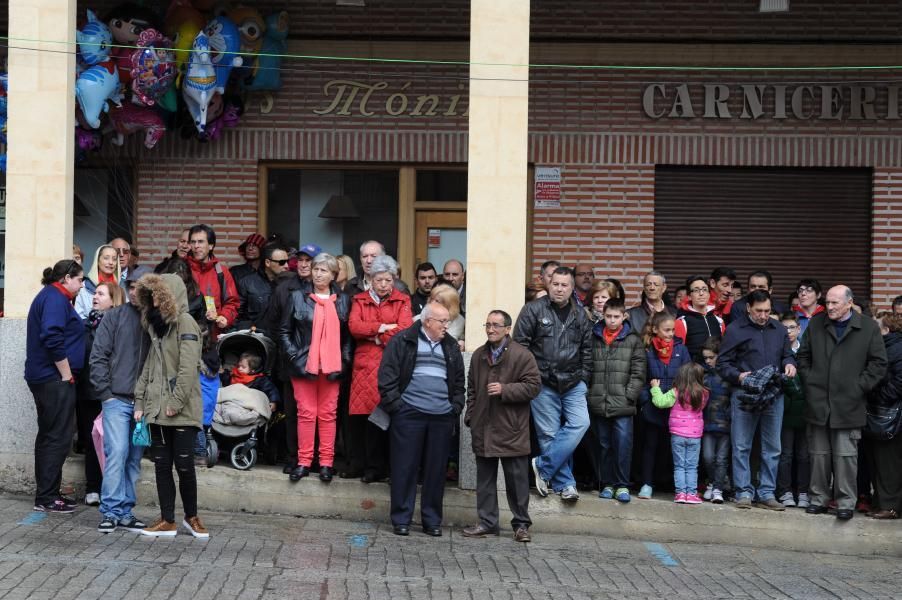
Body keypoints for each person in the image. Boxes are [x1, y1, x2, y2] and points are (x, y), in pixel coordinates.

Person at [797, 285, 887, 520]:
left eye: (835, 303)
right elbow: (803, 356)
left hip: (850, 404)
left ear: (849, 303)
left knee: (846, 457)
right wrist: (810, 381)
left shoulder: (867, 327)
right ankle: (818, 499)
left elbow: (878, 363)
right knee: (818, 455)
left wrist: (859, 387)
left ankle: (846, 502)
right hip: (818, 403)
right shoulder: (817, 324)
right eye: (827, 302)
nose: (830, 307)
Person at [378, 302, 464, 537]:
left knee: (436, 472)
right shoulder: (403, 340)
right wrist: (397, 407)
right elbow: (387, 377)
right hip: (409, 415)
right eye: (442, 321)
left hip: (441, 417)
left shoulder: (451, 346)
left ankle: (432, 521)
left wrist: (454, 407)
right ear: (428, 321)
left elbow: (458, 382)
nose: (447, 326)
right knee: (404, 468)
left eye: (448, 321)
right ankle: (401, 519)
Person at [133, 273, 208, 538]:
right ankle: (167, 520)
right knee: (161, 465)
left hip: (181, 410)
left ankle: (192, 517)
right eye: (150, 294)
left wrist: (176, 402)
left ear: (169, 294)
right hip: (156, 409)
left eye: (157, 293)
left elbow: (188, 369)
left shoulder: (185, 322)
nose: (153, 298)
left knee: (185, 465)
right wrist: (140, 400)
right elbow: (149, 367)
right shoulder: (157, 326)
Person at [513, 267, 592, 503]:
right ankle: (566, 484)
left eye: (564, 285)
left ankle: (543, 466)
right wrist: (532, 376)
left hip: (573, 382)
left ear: (571, 288)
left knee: (581, 423)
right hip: (543, 383)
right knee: (549, 434)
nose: (559, 288)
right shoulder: (533, 310)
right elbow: (519, 346)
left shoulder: (580, 315)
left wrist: (584, 379)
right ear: (549, 284)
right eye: (555, 284)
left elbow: (587, 351)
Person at [463, 310, 541, 542]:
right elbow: (472, 390)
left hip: (511, 428)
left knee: (516, 481)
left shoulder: (522, 355)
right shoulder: (478, 355)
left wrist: (505, 389)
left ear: (508, 329)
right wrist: (471, 415)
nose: (490, 329)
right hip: (484, 426)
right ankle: (487, 522)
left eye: (496, 325)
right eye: (487, 324)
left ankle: (521, 525)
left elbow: (534, 387)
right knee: (485, 481)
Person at [717, 290, 796, 511]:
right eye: (758, 311)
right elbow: (722, 364)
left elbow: (787, 354)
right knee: (742, 445)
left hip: (773, 392)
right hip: (744, 393)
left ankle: (767, 493)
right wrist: (739, 376)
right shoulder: (735, 330)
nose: (763, 316)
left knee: (772, 447)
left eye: (767, 311)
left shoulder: (779, 329)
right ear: (748, 309)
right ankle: (743, 491)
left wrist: (790, 364)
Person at [279, 253, 351, 482]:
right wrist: (293, 356)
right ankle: (304, 461)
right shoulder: (298, 297)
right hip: (304, 365)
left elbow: (348, 337)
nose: (318, 274)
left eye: (324, 270)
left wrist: (345, 361)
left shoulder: (343, 300)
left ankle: (326, 463)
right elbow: (284, 331)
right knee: (306, 414)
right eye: (316, 269)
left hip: (332, 366)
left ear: (333, 275)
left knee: (328, 415)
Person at [90, 270, 150, 533]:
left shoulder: (155, 321)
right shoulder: (114, 316)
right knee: (117, 453)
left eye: (140, 287)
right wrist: (106, 392)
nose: (134, 292)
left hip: (144, 403)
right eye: (131, 286)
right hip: (116, 398)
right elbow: (98, 356)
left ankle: (125, 511)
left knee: (134, 458)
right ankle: (111, 510)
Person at [25, 259, 86, 513]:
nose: (83, 285)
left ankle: (48, 493)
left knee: (50, 435)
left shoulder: (53, 296)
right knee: (57, 437)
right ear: (67, 278)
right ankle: (47, 497)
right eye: (80, 279)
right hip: (53, 378)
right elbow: (51, 336)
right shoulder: (55, 299)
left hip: (45, 377)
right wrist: (66, 374)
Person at [347, 255, 413, 482]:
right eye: (379, 280)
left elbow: (405, 330)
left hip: (391, 363)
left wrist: (376, 337)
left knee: (388, 417)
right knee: (365, 420)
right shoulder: (359, 299)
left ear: (394, 279)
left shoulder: (402, 300)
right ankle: (369, 468)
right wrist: (383, 327)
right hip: (364, 366)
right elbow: (355, 327)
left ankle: (386, 468)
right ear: (371, 280)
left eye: (388, 280)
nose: (384, 284)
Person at [587, 298, 646, 503]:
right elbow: (587, 367)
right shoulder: (594, 337)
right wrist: (590, 393)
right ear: (603, 315)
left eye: (616, 317)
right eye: (608, 316)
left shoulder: (633, 339)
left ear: (624, 316)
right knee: (603, 445)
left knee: (622, 445)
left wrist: (629, 396)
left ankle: (622, 485)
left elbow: (638, 373)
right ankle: (607, 483)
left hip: (623, 403)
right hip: (598, 401)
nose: (612, 320)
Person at [76, 281, 125, 507]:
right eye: (94, 293)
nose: (95, 296)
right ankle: (93, 487)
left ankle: (113, 489)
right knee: (90, 439)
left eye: (101, 293)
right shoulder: (87, 324)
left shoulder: (120, 325)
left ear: (113, 299)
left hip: (112, 392)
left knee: (113, 442)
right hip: (88, 391)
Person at [637, 311, 691, 499]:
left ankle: (668, 483)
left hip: (676, 408)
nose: (670, 334)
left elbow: (687, 376)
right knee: (650, 446)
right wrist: (645, 400)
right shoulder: (647, 350)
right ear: (655, 330)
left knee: (671, 448)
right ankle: (646, 484)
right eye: (666, 330)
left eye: (672, 330)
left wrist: (679, 397)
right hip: (652, 407)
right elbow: (641, 378)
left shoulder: (681, 350)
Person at [651, 362, 709, 504]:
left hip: (677, 434)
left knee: (679, 465)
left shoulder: (676, 392)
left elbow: (660, 402)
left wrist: (655, 389)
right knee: (691, 466)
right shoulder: (704, 393)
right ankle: (691, 494)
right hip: (695, 435)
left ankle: (681, 494)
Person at [866, 313, 902, 519]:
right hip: (883, 414)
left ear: (886, 330)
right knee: (880, 460)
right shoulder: (886, 347)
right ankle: (881, 503)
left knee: (888, 462)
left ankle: (890, 506)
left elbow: (899, 383)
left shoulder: (895, 349)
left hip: (890, 415)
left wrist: (878, 396)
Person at [777, 312, 810, 509]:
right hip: (785, 411)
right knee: (785, 453)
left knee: (804, 454)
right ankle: (785, 490)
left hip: (805, 410)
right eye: (784, 328)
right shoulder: (778, 351)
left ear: (799, 329)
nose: (788, 331)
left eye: (791, 327)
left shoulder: (806, 351)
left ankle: (804, 491)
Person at [186, 224, 240, 339]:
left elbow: (232, 302)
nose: (196, 246)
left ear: (211, 245)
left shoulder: (221, 272)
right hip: (185, 335)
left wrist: (225, 317)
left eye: (200, 242)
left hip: (212, 336)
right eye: (193, 242)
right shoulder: (182, 269)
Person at [700, 337, 731, 504]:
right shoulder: (703, 375)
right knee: (708, 457)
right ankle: (713, 482)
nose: (708, 361)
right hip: (707, 424)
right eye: (705, 358)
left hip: (726, 424)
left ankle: (718, 488)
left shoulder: (728, 374)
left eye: (711, 357)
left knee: (721, 459)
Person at [236, 243, 290, 332]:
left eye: (288, 261)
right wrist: (251, 331)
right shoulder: (247, 282)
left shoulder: (291, 283)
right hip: (256, 339)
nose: (287, 266)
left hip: (282, 339)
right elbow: (238, 315)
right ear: (267, 262)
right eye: (282, 262)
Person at [674, 275, 725, 363]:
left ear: (709, 294)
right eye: (696, 290)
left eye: (704, 289)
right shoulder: (682, 322)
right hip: (694, 373)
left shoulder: (719, 321)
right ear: (689, 296)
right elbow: (678, 354)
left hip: (718, 372)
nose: (701, 293)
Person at [220, 352, 281, 416]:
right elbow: (227, 382)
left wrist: (274, 401)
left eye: (243, 367)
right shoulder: (234, 373)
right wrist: (223, 374)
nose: (239, 368)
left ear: (252, 370)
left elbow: (271, 389)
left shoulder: (259, 379)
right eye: (238, 365)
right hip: (234, 399)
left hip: (249, 402)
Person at [345, 240, 410, 295]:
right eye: (364, 256)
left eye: (373, 256)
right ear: (360, 258)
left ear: (383, 258)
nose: (369, 261)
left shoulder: (399, 287)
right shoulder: (351, 285)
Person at [75, 244, 120, 319]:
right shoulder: (84, 287)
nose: (111, 262)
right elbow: (79, 317)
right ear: (97, 261)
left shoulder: (121, 288)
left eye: (114, 259)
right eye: (106, 258)